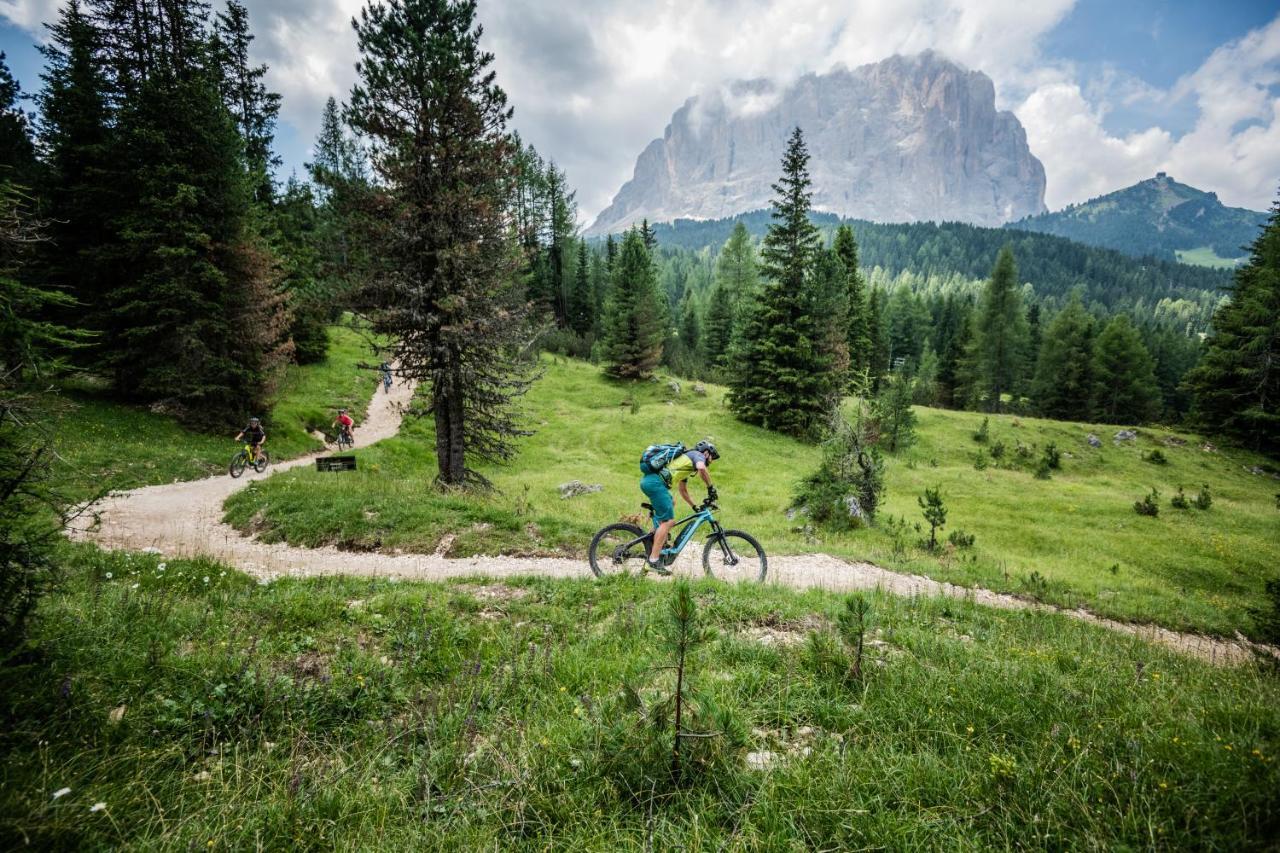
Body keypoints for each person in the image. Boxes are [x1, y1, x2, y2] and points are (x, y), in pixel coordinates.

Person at [640, 440, 719, 574]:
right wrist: (711, 488)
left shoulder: (687, 462)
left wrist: (694, 506)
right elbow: (702, 468)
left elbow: (683, 490)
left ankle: (655, 543)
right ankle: (653, 561)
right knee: (669, 521)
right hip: (655, 483)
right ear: (706, 453)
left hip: (651, 482)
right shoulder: (697, 455)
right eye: (711, 457)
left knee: (671, 503)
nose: (711, 461)